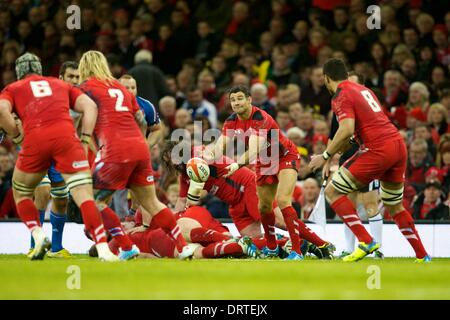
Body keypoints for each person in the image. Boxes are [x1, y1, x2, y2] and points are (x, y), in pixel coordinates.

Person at [309, 58, 430, 262]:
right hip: (397, 145)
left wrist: (325, 156)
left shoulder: (340, 95)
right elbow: (363, 127)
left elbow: (346, 128)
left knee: (332, 190)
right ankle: (422, 255)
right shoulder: (364, 90)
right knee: (395, 206)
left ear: (326, 78)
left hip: (376, 148)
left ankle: (366, 241)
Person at [0, 53, 118, 261]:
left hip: (36, 143)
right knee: (77, 195)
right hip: (66, 143)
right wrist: (84, 140)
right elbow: (90, 106)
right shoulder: (59, 86)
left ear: (18, 73)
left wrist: (17, 136)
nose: (74, 79)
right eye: (71, 76)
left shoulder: (14, 89)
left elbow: (2, 110)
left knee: (27, 193)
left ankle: (47, 241)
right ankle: (103, 249)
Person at [77, 50, 194, 260]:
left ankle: (126, 245)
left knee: (95, 201)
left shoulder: (86, 89)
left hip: (115, 150)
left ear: (83, 68)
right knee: (152, 202)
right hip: (140, 148)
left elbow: (79, 116)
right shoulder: (121, 90)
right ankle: (183, 247)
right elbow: (140, 119)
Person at [209, 85, 313, 260]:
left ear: (249, 99)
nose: (236, 103)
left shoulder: (260, 117)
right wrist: (205, 157)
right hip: (265, 161)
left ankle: (297, 250)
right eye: (232, 100)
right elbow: (220, 146)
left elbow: (255, 149)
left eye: (240, 98)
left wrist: (236, 165)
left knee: (282, 201)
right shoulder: (231, 120)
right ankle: (272, 246)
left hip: (285, 156)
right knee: (263, 207)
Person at [328, 71, 384, 259]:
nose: (347, 87)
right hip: (347, 159)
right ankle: (350, 248)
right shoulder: (339, 106)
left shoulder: (368, 107)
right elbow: (332, 135)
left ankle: (377, 249)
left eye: (352, 83)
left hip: (367, 156)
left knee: (370, 204)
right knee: (348, 205)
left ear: (362, 87)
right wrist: (327, 161)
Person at [30, 61, 82, 258]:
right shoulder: (49, 96)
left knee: (61, 200)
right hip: (42, 152)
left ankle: (56, 249)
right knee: (42, 193)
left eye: (77, 77)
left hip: (63, 155)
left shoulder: (80, 101)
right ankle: (34, 246)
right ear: (61, 78)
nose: (75, 80)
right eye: (71, 76)